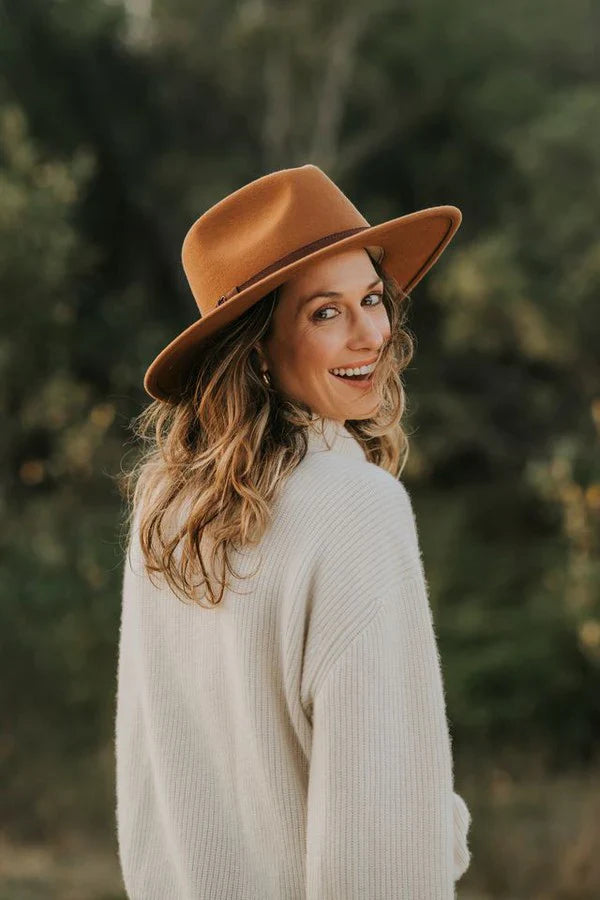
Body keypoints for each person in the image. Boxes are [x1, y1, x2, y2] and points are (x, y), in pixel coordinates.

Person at [115, 164, 472, 899]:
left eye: (371, 298)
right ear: (255, 346)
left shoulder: (169, 507)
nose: (373, 333)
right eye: (326, 312)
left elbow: (150, 794)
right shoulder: (357, 508)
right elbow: (379, 853)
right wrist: (436, 829)